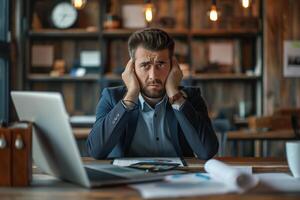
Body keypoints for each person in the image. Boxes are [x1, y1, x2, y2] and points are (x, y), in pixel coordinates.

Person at [87, 28, 218, 159]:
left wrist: (174, 94)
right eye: (145, 65)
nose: (153, 76)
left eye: (160, 64)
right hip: (129, 177)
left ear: (173, 66)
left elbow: (207, 151)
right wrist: (130, 96)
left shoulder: (190, 97)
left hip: (178, 177)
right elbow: (96, 151)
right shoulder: (112, 97)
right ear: (132, 68)